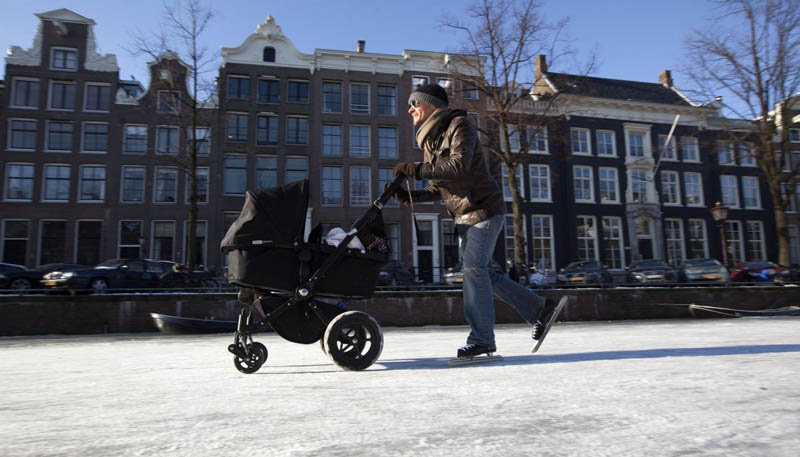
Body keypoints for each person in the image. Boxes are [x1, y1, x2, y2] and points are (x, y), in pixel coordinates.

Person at [389, 83, 558, 359]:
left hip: (484, 209)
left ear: (431, 104)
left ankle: (481, 339)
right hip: (463, 218)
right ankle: (540, 309)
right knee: (483, 273)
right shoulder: (430, 141)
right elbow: (439, 186)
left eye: (415, 104)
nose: (410, 109)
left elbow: (458, 166)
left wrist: (415, 170)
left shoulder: (459, 125)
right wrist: (410, 196)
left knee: (473, 271)